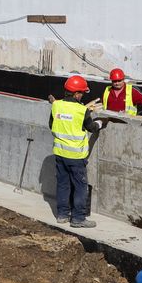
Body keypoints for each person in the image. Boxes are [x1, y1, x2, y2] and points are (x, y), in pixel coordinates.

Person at [50, 75, 103, 228]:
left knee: (63, 184)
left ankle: (62, 215)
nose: (82, 96)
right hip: (76, 156)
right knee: (80, 187)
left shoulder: (57, 105)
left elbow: (51, 124)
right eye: (82, 93)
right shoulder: (82, 110)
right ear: (77, 94)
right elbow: (90, 127)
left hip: (60, 153)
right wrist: (99, 123)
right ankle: (78, 218)